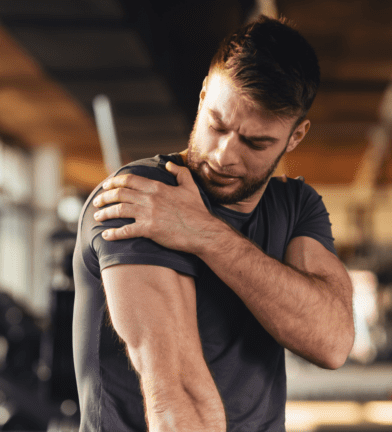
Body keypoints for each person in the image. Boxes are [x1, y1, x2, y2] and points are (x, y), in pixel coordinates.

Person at [72, 15, 354, 432]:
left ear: (295, 137)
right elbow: (176, 400)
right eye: (217, 125)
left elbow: (331, 342)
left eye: (256, 142)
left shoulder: (294, 205)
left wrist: (204, 234)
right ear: (204, 95)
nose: (224, 155)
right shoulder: (144, 196)